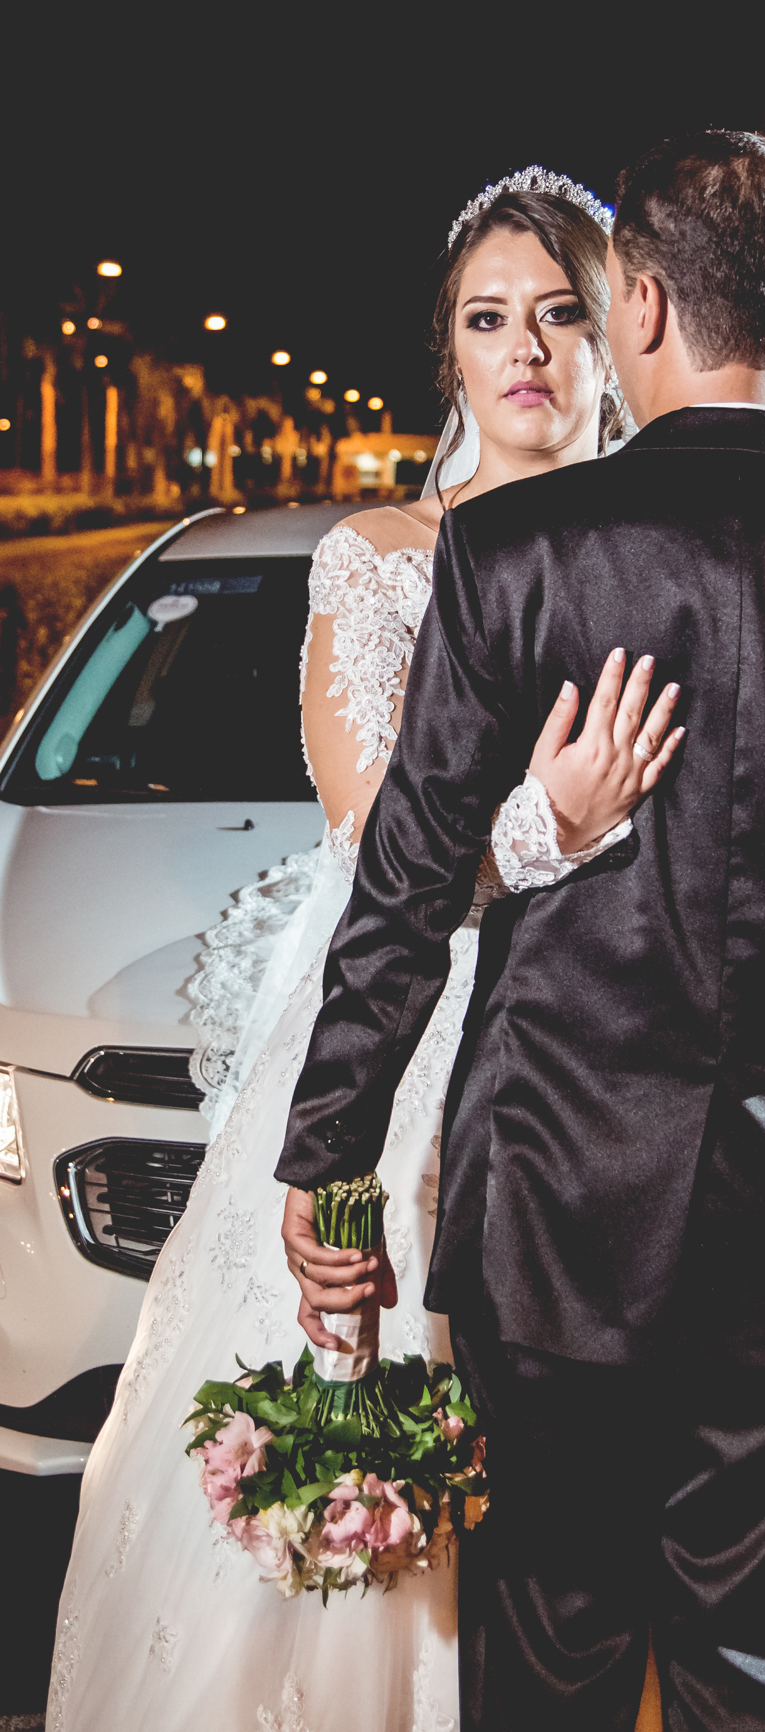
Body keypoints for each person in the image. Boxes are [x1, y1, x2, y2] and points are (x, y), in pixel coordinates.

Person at [275, 130, 765, 1732]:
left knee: (547, 1660)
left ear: (634, 305)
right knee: (759, 1673)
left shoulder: (510, 555)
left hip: (551, 1212)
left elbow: (405, 893)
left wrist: (329, 1160)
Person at [46, 173, 682, 1732]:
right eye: (486, 321)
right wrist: (562, 819)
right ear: (449, 358)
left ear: (617, 339)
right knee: (390, 1405)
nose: (523, 350)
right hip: (410, 1054)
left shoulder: (678, 554)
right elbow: (370, 836)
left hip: (635, 1071)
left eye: (559, 315)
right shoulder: (379, 556)